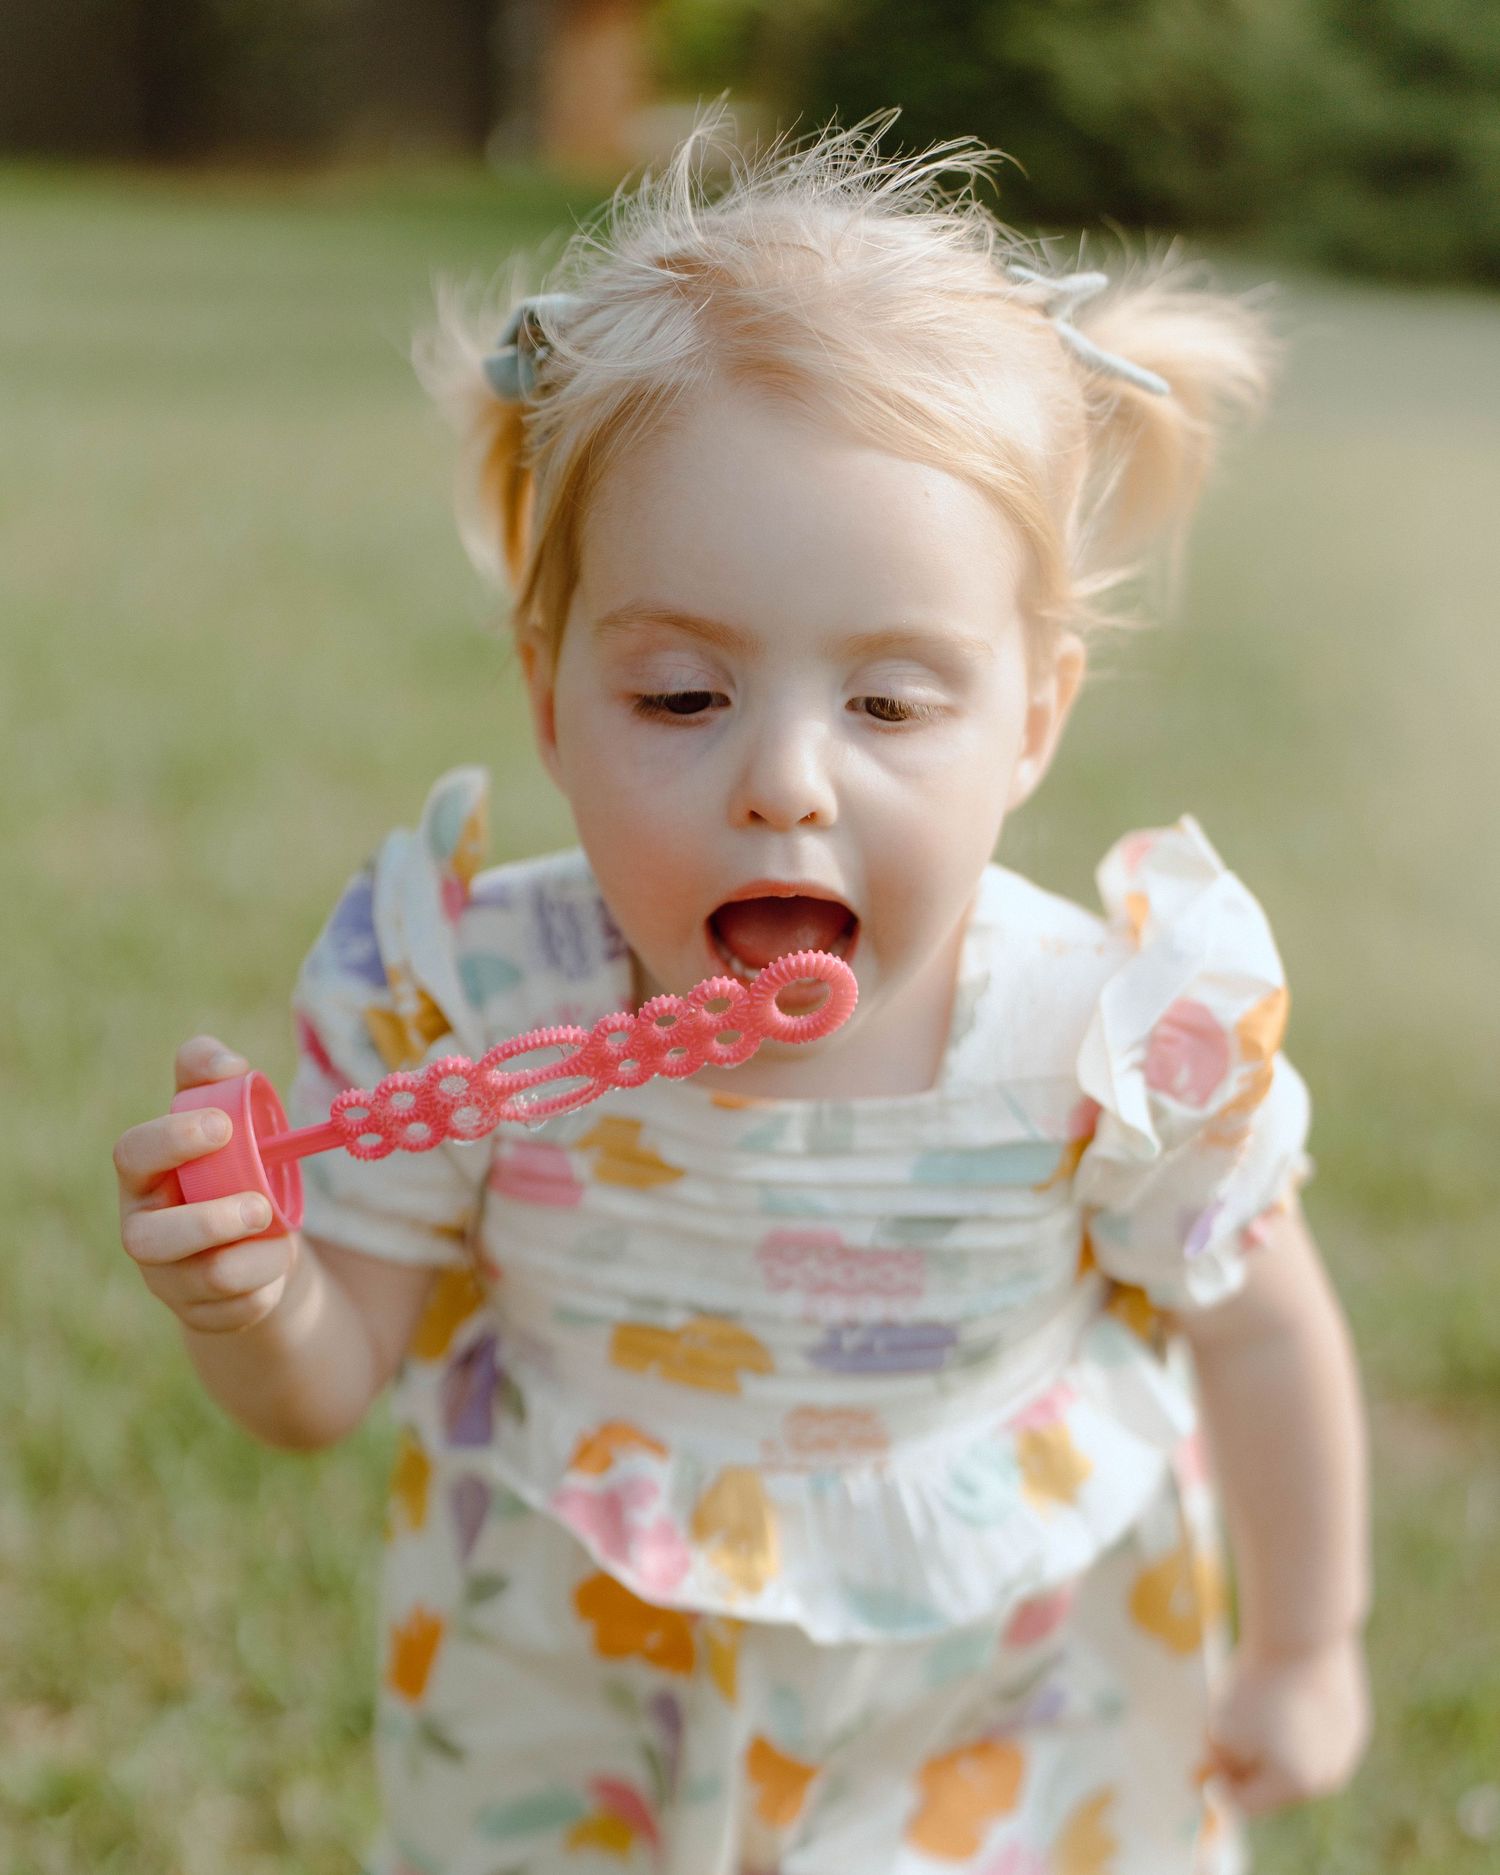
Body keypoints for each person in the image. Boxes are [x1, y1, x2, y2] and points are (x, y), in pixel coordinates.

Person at [113, 114, 1372, 1874]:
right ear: (551, 700)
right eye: (685, 698)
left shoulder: (1109, 1036)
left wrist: (1308, 1648)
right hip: (576, 1711)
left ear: (1034, 719)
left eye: (890, 703)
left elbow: (1259, 1326)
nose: (787, 782)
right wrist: (254, 1300)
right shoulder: (466, 997)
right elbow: (330, 1387)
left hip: (1000, 1714)